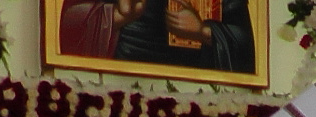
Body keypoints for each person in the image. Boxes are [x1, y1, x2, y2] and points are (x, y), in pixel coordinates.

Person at [110, 0, 256, 74]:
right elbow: (91, 17)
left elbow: (244, 44)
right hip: (129, 70)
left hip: (197, 84)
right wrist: (118, 17)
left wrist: (203, 31)